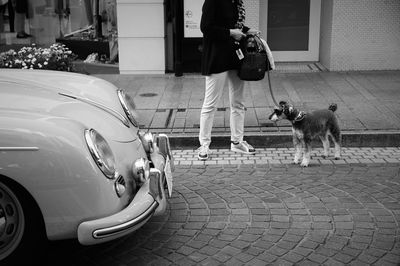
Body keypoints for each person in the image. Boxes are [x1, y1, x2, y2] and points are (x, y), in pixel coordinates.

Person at [197, 0, 259, 160]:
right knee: (210, 104)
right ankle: (204, 145)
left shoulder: (236, 1)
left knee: (238, 103)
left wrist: (246, 30)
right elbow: (206, 27)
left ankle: (237, 142)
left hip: (235, 57)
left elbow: (232, 24)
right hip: (217, 58)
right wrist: (231, 33)